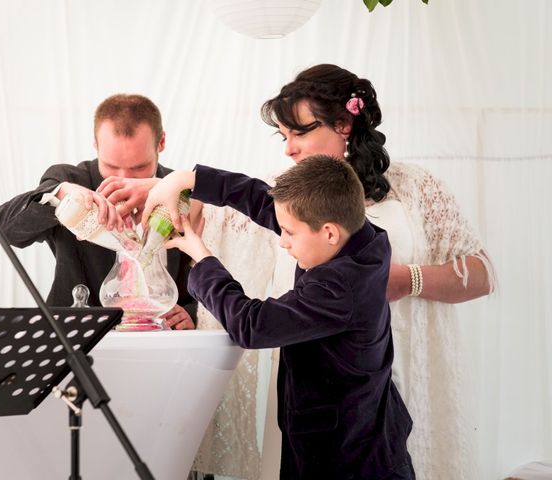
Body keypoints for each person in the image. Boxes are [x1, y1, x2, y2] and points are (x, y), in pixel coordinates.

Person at [257, 63, 497, 479]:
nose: (289, 149)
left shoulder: (413, 186)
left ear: (344, 124)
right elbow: (213, 221)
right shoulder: (282, 192)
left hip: (398, 381)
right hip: (314, 398)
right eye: (284, 136)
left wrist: (408, 280)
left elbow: (482, 273)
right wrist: (163, 188)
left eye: (300, 132)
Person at [144, 154, 415, 479]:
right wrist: (191, 179)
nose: (282, 241)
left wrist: (202, 259)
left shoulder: (338, 288)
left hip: (344, 455)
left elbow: (252, 325)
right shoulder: (361, 236)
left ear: (329, 232)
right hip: (367, 430)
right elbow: (267, 202)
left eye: (288, 233)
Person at [0, 93, 196, 329]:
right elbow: (3, 229)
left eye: (139, 167)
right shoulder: (69, 181)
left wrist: (192, 312)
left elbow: (218, 264)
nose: (124, 179)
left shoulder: (183, 189)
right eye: (111, 166)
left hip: (166, 340)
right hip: (77, 337)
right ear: (96, 144)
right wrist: (59, 195)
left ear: (161, 142)